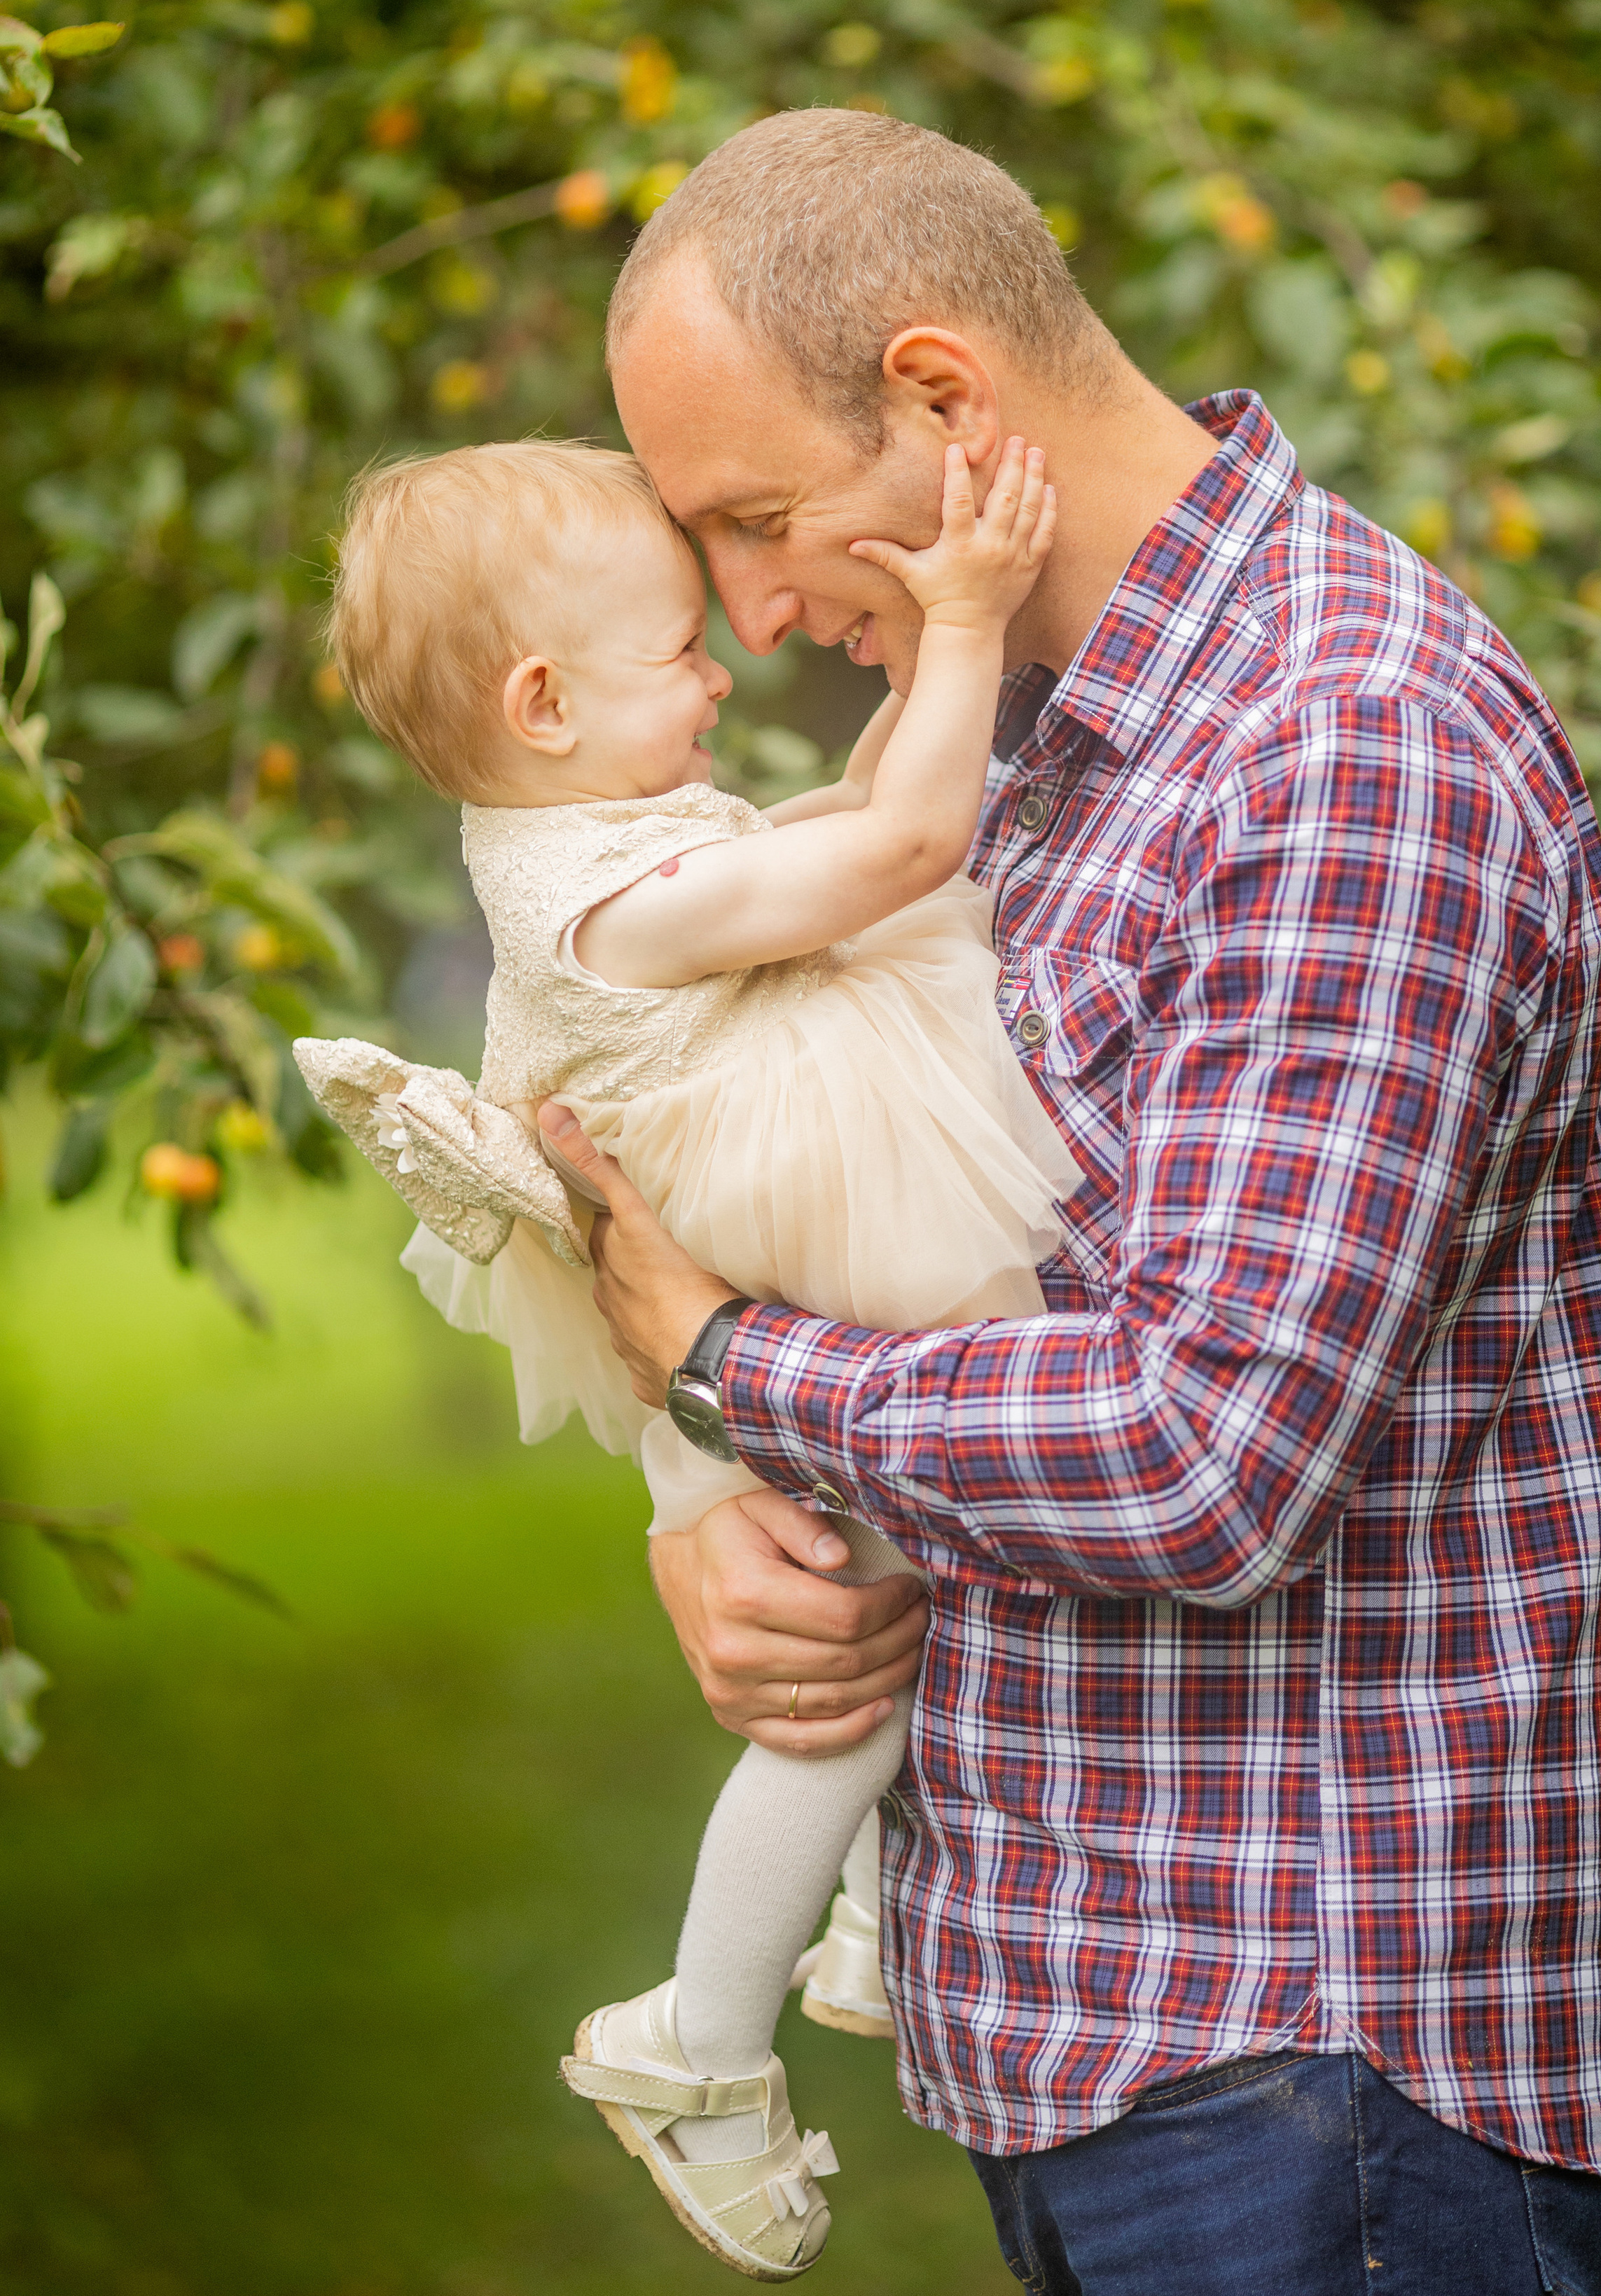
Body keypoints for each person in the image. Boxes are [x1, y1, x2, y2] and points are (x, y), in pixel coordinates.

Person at [541, 107, 1601, 2296]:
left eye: (759, 522)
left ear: (949, 403)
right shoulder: (1030, 754)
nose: (756, 616)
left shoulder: (1345, 742)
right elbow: (959, 1308)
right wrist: (741, 1545)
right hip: (1110, 2033)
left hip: (1318, 2066)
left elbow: (1201, 1455)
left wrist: (722, 1357)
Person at [293, 431, 1077, 2279]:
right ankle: (699, 2043)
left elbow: (834, 821)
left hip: (752, 1264)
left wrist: (925, 663)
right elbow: (899, 848)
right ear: (546, 702)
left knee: (889, 1575)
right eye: (677, 644)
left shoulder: (600, 825)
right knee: (842, 1678)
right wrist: (965, 616)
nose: (724, 663)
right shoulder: (596, 905)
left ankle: (873, 1919)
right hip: (749, 1276)